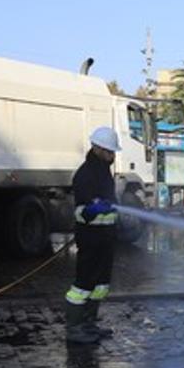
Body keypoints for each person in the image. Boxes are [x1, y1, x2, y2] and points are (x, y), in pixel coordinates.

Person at [65, 127, 120, 344]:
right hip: (90, 239)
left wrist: (112, 207)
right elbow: (81, 211)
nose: (112, 156)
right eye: (109, 151)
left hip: (106, 239)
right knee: (83, 285)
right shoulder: (84, 174)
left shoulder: (104, 172)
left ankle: (89, 324)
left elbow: (109, 199)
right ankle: (74, 327)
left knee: (100, 284)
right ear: (97, 148)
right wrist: (93, 210)